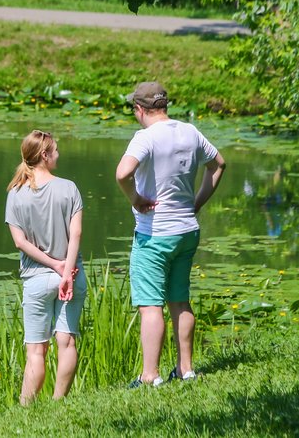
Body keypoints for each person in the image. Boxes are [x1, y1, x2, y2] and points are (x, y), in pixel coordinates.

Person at [115, 81, 226, 387]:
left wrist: (135, 198)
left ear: (140, 110)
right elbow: (219, 164)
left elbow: (122, 173)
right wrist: (196, 202)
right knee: (179, 299)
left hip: (154, 235)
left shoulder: (145, 138)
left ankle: (150, 375)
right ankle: (186, 369)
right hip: (187, 231)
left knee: (151, 304)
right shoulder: (189, 131)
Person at [4, 129, 86, 405]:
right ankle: (58, 403)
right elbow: (75, 236)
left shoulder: (15, 193)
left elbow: (20, 242)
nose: (59, 154)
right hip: (71, 275)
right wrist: (66, 271)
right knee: (67, 342)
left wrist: (53, 265)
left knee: (36, 352)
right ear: (44, 155)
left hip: (38, 279)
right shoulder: (69, 188)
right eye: (56, 150)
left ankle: (25, 409)